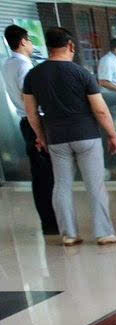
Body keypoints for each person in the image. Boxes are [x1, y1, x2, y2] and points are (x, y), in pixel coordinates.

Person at [22, 26, 116, 246]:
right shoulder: (81, 73)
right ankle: (104, 233)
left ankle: (69, 235)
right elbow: (100, 110)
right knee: (95, 185)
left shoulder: (33, 75)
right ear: (70, 45)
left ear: (48, 46)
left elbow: (31, 114)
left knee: (61, 185)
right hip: (86, 135)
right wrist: (112, 134)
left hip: (56, 138)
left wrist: (42, 137)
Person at [2, 24, 57, 236]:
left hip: (26, 121)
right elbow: (30, 99)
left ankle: (48, 221)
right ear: (23, 41)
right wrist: (40, 132)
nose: (33, 46)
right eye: (31, 41)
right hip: (35, 122)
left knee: (40, 175)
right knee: (46, 175)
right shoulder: (24, 67)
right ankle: (51, 222)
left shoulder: (8, 64)